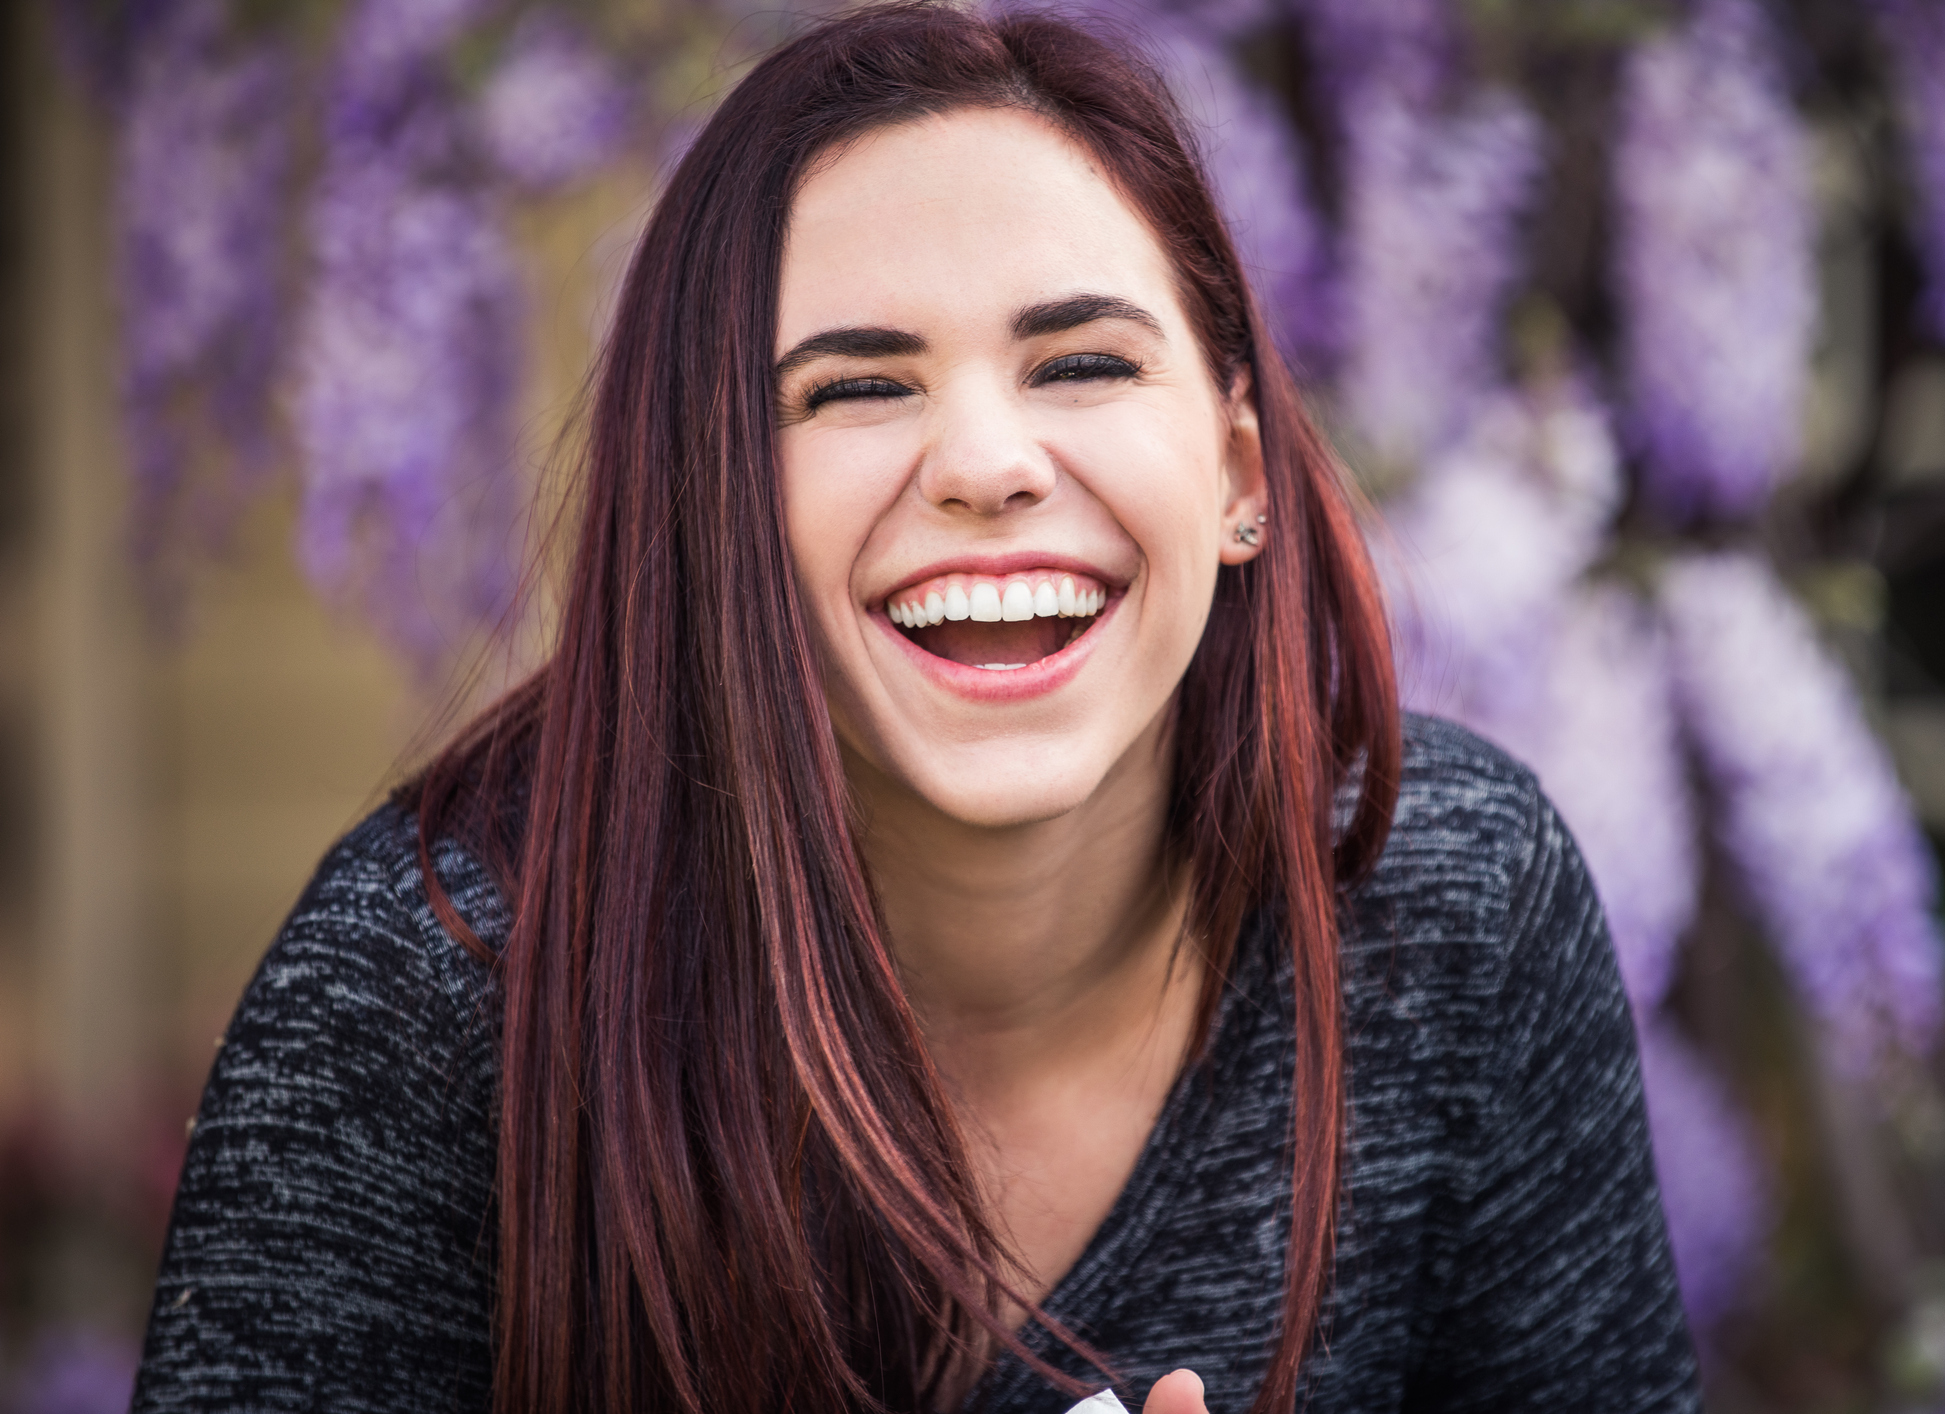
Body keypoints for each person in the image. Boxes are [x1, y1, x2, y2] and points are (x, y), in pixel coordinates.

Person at [131, 5, 1701, 1412]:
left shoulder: (1450, 911)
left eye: (1082, 361)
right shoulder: (434, 985)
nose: (984, 462)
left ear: (1235, 475)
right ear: (712, 506)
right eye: (859, 386)